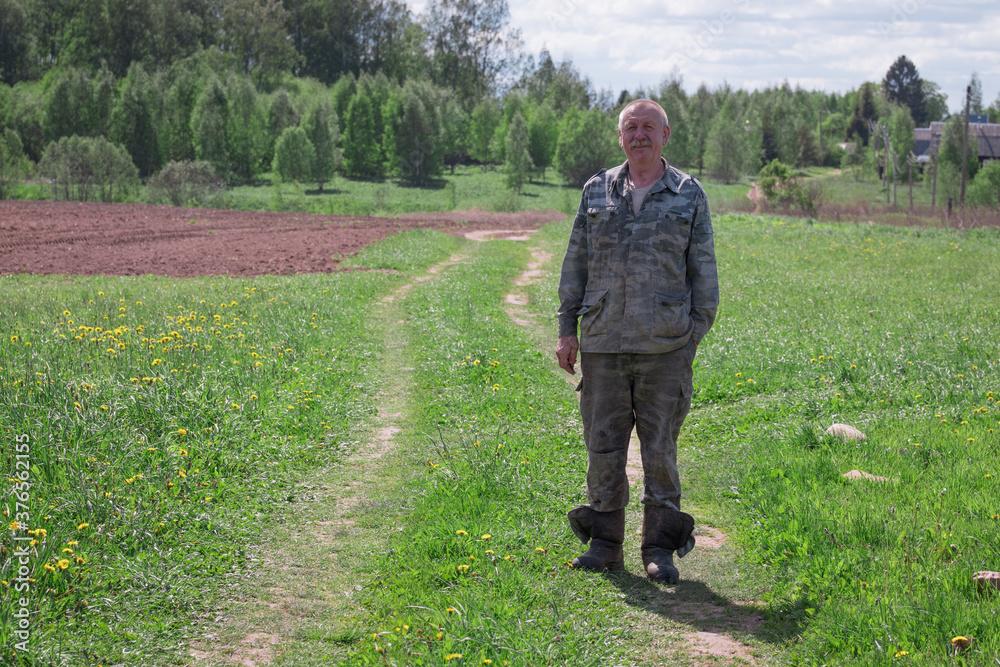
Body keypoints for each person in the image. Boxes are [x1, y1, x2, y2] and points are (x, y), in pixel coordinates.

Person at [556, 98, 718, 583]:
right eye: (631, 127)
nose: (639, 135)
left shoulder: (688, 193)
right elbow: (576, 263)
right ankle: (605, 544)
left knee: (659, 451)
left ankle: (659, 548)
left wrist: (689, 340)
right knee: (602, 447)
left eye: (649, 126)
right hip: (603, 343)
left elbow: (704, 275)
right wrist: (567, 329)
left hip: (666, 348)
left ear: (665, 135)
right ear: (621, 136)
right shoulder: (596, 190)